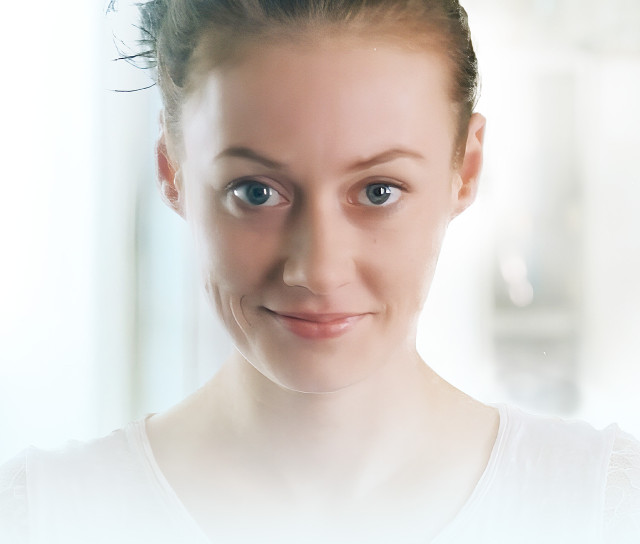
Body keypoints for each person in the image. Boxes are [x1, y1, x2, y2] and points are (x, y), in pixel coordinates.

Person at [1, 0, 639, 542]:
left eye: (379, 191)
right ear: (174, 172)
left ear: (464, 170)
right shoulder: (41, 517)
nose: (318, 270)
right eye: (256, 192)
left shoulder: (604, 508)